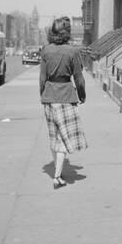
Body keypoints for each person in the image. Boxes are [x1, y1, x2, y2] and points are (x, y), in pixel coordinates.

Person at [40, 16, 87, 189]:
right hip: (66, 96)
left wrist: (43, 94)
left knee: (54, 137)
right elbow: (79, 78)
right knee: (62, 139)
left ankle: (57, 172)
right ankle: (57, 177)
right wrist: (82, 95)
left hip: (49, 97)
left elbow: (42, 78)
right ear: (67, 33)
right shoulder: (73, 51)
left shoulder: (46, 50)